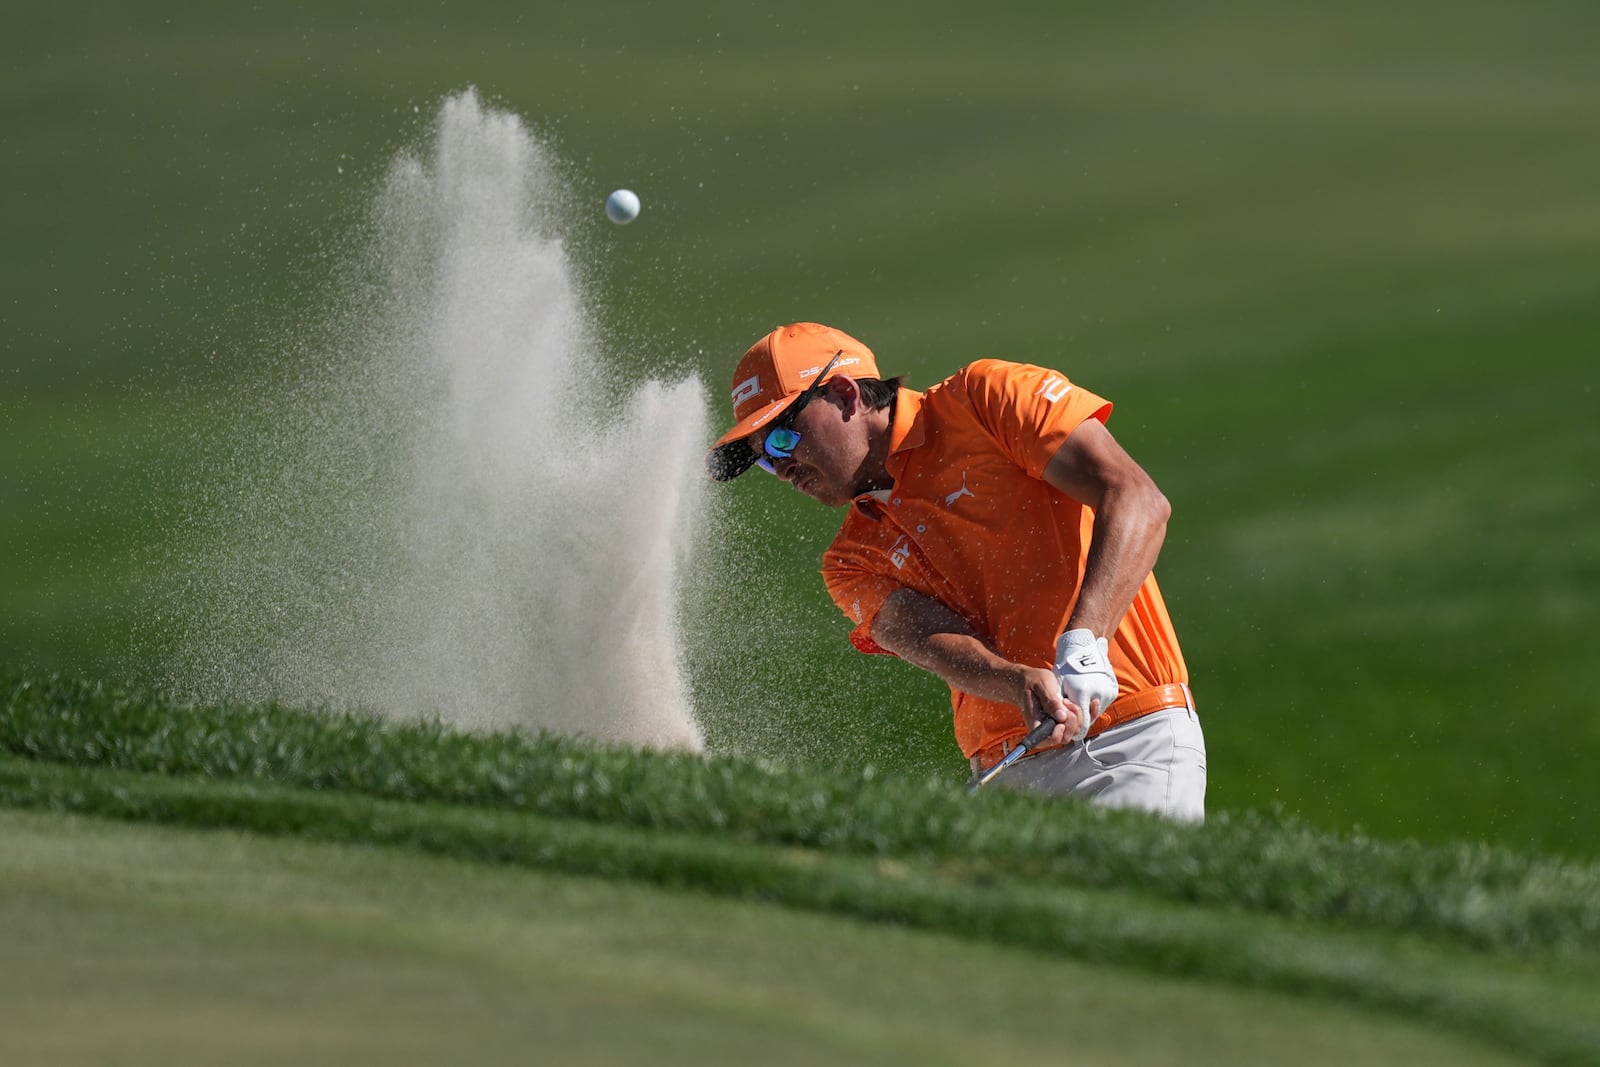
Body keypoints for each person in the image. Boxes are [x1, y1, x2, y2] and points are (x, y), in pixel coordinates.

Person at [706, 322, 1206, 822]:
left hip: (1128, 739)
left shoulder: (987, 399)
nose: (782, 468)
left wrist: (1086, 641)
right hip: (1003, 773)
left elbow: (1138, 499)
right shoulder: (850, 560)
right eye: (764, 462)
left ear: (844, 395)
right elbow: (930, 641)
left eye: (782, 439)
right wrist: (1015, 682)